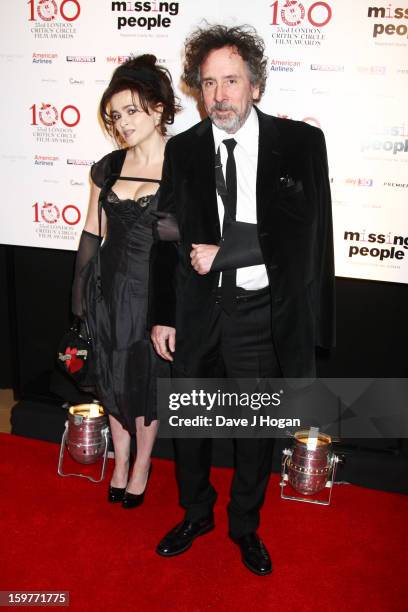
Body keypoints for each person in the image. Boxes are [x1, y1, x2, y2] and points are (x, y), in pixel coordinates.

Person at [150, 25, 335, 575]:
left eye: (231, 81)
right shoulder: (183, 148)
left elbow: (303, 233)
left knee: (254, 431)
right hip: (196, 311)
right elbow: (165, 234)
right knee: (191, 428)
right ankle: (197, 513)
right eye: (208, 84)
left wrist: (225, 253)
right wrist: (163, 314)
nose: (219, 96)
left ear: (255, 85)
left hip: (260, 314)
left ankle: (244, 526)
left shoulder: (298, 142)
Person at [71, 54, 179, 508]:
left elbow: (183, 241)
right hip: (107, 290)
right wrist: (78, 304)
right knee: (112, 377)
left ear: (158, 109)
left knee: (146, 380)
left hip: (152, 294)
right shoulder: (107, 167)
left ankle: (141, 464)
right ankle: (119, 458)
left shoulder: (183, 167)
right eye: (115, 116)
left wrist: (170, 312)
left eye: (131, 111)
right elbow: (93, 234)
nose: (122, 123)